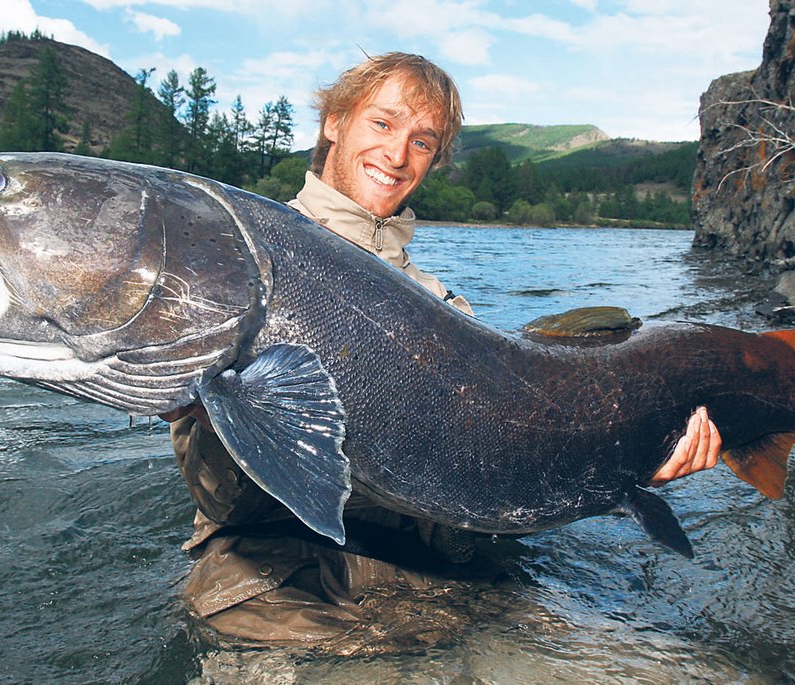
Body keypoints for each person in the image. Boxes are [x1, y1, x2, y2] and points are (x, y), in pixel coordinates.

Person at [165, 52, 721, 651]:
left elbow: (499, 486)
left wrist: (632, 462)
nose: (398, 155)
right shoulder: (237, 265)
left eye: (422, 141)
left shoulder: (445, 310)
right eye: (381, 124)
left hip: (433, 583)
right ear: (334, 123)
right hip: (277, 589)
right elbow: (216, 496)